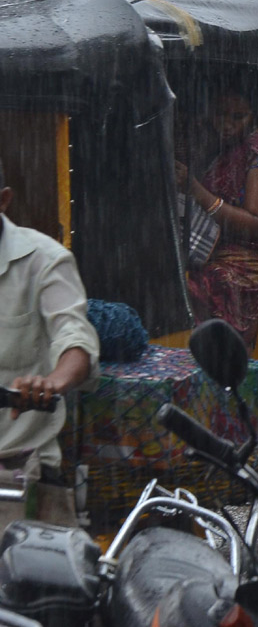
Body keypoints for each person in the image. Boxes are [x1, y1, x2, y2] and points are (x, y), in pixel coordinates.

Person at [0, 156, 100, 528]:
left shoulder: (44, 261)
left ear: (4, 200)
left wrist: (52, 383)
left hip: (20, 478)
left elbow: (75, 338)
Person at [175, 85, 258, 349]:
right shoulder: (219, 145)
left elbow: (255, 225)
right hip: (209, 248)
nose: (226, 124)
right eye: (219, 115)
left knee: (190, 286)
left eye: (238, 117)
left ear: (254, 117)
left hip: (245, 262)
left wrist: (194, 189)